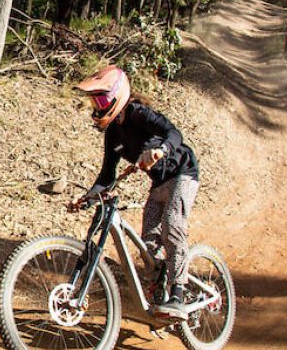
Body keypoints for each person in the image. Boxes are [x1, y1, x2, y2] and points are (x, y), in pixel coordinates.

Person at [73, 65, 200, 319]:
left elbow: (174, 133)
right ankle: (160, 290)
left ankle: (178, 293)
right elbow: (107, 175)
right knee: (150, 241)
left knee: (171, 227)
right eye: (95, 101)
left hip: (183, 174)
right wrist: (86, 198)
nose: (98, 106)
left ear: (118, 95)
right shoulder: (112, 133)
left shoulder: (137, 113)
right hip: (159, 184)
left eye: (102, 99)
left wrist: (161, 150)